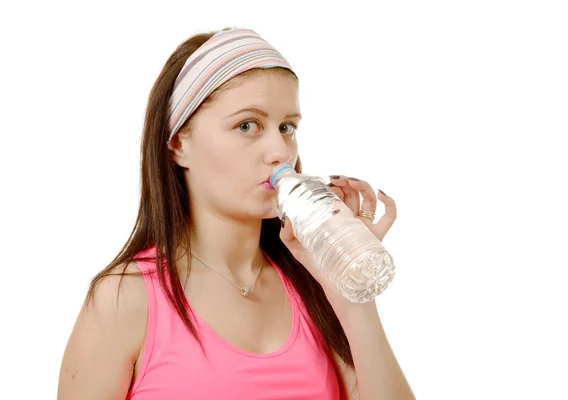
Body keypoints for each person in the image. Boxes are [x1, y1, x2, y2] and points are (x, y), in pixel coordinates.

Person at [57, 27, 416, 400]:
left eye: (286, 127)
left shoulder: (314, 287)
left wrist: (350, 293)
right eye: (248, 125)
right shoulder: (124, 298)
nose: (280, 151)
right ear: (179, 142)